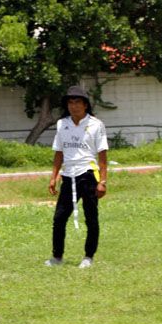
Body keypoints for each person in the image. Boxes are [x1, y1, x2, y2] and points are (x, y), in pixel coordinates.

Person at [46, 85, 109, 269]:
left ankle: (88, 256)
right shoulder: (62, 124)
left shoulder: (96, 125)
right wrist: (54, 176)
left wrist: (102, 182)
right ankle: (57, 257)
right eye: (70, 103)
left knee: (91, 218)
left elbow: (102, 155)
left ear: (85, 105)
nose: (74, 106)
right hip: (68, 175)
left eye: (78, 102)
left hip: (88, 175)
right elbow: (59, 152)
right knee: (59, 218)